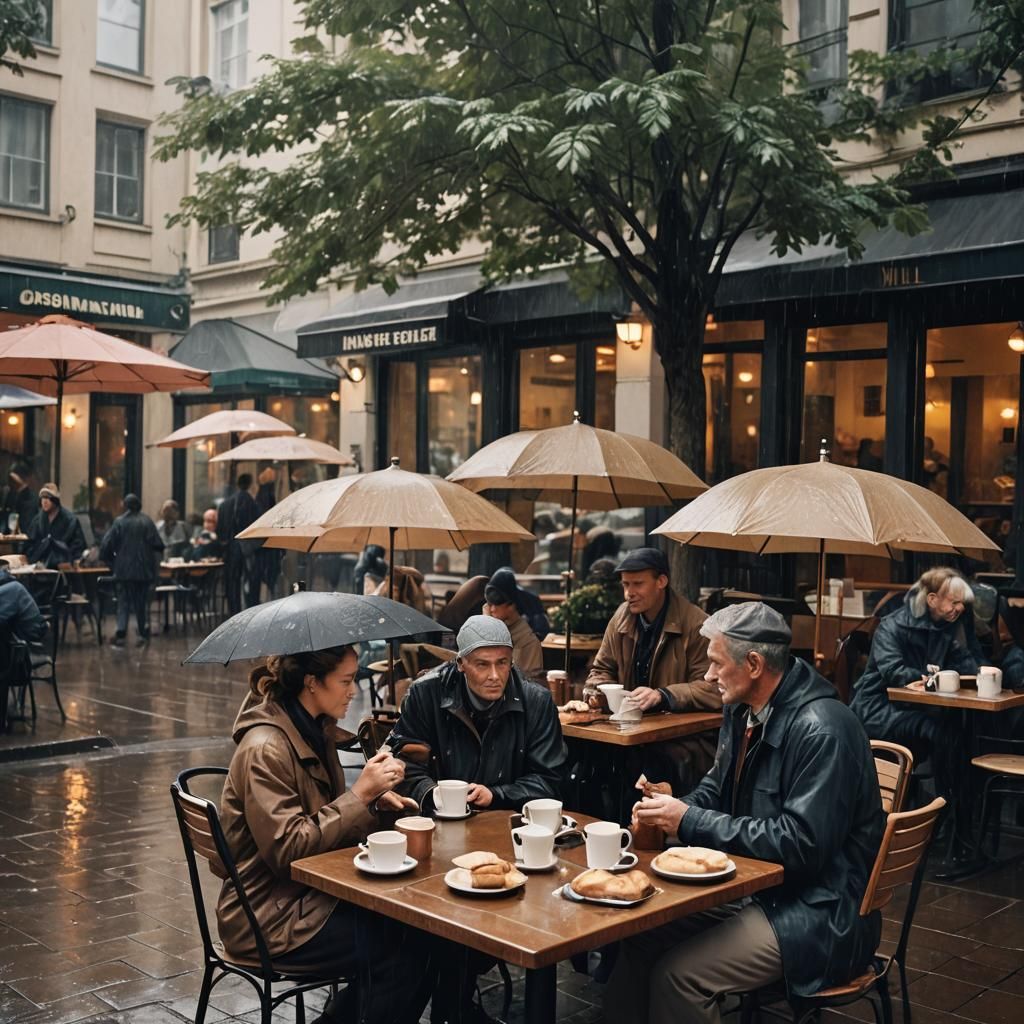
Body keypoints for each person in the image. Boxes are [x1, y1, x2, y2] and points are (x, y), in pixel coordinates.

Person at [608, 603, 884, 1024]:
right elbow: (717, 787)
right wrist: (670, 810)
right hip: (760, 889)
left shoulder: (824, 728)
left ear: (754, 664)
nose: (707, 675)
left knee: (680, 976)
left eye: (716, 663)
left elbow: (801, 845)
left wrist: (688, 820)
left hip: (821, 911)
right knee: (638, 937)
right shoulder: (742, 709)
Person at [219, 646, 431, 1024]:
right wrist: (359, 796)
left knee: (418, 931)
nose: (353, 691)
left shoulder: (313, 729)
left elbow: (322, 820)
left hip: (307, 897)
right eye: (346, 681)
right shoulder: (266, 748)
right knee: (410, 948)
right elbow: (289, 850)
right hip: (269, 918)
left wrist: (373, 805)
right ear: (312, 683)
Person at [389, 615, 566, 1022]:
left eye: (502, 663)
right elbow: (405, 763)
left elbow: (551, 779)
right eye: (482, 664)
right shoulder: (427, 693)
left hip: (505, 841)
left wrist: (497, 794)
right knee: (428, 920)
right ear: (460, 664)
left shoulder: (536, 701)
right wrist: (429, 793)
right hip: (438, 836)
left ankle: (452, 1007)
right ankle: (451, 1006)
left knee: (477, 922)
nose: (494, 675)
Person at [586, 547, 720, 791]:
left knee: (648, 766)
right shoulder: (621, 617)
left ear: (662, 581)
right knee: (585, 760)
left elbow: (713, 688)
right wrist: (597, 693)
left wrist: (663, 695)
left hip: (681, 737)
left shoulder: (697, 624)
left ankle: (638, 827)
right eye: (625, 584)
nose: (629, 593)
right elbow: (602, 668)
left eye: (637, 584)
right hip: (628, 730)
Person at [850, 567, 980, 797]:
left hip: (921, 707)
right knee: (943, 734)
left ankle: (952, 813)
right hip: (880, 709)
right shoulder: (892, 626)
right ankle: (939, 809)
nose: (959, 608)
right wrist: (934, 679)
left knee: (960, 732)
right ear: (932, 599)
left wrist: (966, 644)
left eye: (962, 603)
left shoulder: (947, 630)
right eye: (954, 602)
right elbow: (895, 672)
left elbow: (966, 665)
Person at [99, 493, 164, 647]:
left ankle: (121, 629)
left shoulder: (119, 522)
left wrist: (112, 562)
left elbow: (106, 545)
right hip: (143, 570)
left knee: (123, 600)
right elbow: (158, 544)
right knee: (140, 602)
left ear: (125, 505)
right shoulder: (147, 521)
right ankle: (142, 631)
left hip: (123, 570)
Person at [482, 568, 544, 681]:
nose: (492, 609)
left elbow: (532, 687)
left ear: (511, 605)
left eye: (497, 603)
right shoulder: (486, 626)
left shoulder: (529, 642)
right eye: (489, 603)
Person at [218, 474, 260, 614]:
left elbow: (220, 531)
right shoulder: (251, 503)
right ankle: (249, 613)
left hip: (230, 549)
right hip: (246, 549)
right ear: (250, 484)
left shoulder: (224, 505)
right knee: (250, 582)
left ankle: (233, 613)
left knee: (232, 583)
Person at [25, 483, 86, 568]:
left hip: (64, 567)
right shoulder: (37, 521)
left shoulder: (70, 520)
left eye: (48, 498)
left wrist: (69, 560)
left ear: (55, 499)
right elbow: (29, 545)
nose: (44, 501)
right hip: (39, 568)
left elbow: (78, 546)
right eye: (42, 498)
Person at [3, 466, 36, 534]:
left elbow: (27, 520)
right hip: (10, 534)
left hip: (25, 535)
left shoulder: (29, 496)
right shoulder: (11, 494)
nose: (10, 482)